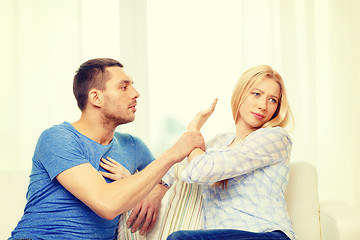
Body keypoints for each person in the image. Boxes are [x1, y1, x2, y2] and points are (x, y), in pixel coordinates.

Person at [9, 58, 205, 240]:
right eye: (124, 87)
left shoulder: (132, 145)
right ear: (96, 97)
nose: (136, 93)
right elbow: (106, 203)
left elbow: (167, 178)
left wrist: (158, 190)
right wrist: (172, 154)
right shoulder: (58, 138)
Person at [164, 65, 296, 240]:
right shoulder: (220, 142)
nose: (262, 105)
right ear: (240, 94)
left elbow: (200, 170)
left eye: (272, 100)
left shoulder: (275, 138)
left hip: (268, 235)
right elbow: (173, 167)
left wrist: (193, 130)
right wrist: (155, 189)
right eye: (256, 94)